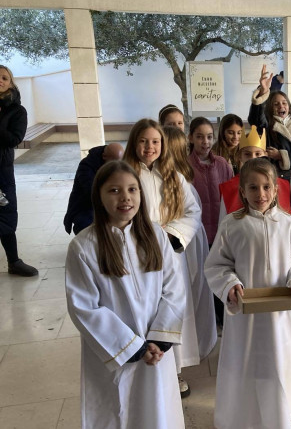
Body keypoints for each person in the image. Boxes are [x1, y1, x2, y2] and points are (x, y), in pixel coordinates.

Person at [65, 160, 185, 428]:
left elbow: (174, 287)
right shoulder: (84, 247)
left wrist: (159, 337)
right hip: (116, 352)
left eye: (132, 189)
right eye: (114, 190)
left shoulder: (156, 235)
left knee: (159, 409)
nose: (125, 198)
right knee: (120, 411)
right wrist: (132, 347)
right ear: (98, 195)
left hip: (156, 346)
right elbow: (84, 307)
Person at [204, 158, 291, 429]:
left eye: (266, 187)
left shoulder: (289, 224)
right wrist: (229, 285)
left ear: (276, 189)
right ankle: (241, 414)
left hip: (279, 313)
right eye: (253, 188)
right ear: (242, 191)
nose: (260, 194)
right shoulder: (231, 224)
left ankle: (280, 411)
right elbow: (217, 264)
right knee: (245, 360)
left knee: (278, 360)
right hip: (246, 313)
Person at [123, 119, 202, 398]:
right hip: (135, 256)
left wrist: (172, 235)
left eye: (155, 141)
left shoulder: (174, 177)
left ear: (163, 145)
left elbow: (192, 212)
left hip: (168, 255)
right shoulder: (124, 174)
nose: (149, 147)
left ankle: (174, 371)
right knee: (142, 311)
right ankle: (141, 363)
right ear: (134, 142)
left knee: (169, 308)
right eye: (143, 141)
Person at [164, 126, 218, 359]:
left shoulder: (180, 181)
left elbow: (192, 213)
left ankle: (193, 346)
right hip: (174, 243)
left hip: (181, 243)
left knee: (189, 292)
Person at [0, 65, 38, 276]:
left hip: (1, 172)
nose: (0, 80)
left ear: (10, 83)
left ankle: (13, 261)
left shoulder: (17, 111)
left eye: (4, 78)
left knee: (5, 214)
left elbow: (14, 139)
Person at [248, 64, 291, 180]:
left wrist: (281, 155)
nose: (281, 106)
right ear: (270, 108)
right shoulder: (267, 124)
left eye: (284, 103)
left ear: (289, 106)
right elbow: (255, 120)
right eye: (276, 104)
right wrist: (263, 92)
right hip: (274, 177)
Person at [218, 127, 291, 222]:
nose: (253, 158)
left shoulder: (282, 185)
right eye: (247, 154)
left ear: (265, 154)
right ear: (240, 156)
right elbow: (223, 221)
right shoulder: (229, 188)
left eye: (258, 154)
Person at [187, 117, 234, 245]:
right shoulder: (185, 166)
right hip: (196, 233)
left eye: (209, 137)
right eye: (199, 137)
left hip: (221, 232)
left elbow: (231, 197)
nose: (205, 141)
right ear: (191, 138)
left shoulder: (222, 164)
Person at [63, 143, 124, 235]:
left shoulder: (117, 164)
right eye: (114, 161)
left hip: (105, 201)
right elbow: (92, 192)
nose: (117, 165)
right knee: (86, 226)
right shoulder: (86, 166)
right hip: (85, 205)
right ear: (104, 157)